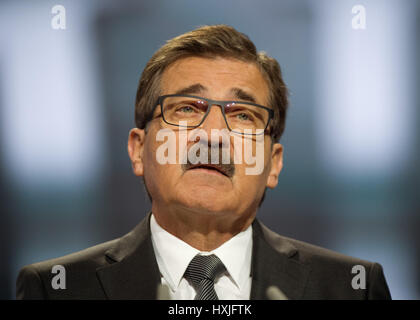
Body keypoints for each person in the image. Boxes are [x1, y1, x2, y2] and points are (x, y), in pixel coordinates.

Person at [16, 24, 391, 300]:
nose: (213, 135)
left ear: (273, 164)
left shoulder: (351, 287)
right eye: (185, 108)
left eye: (243, 115)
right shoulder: (56, 288)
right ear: (138, 150)